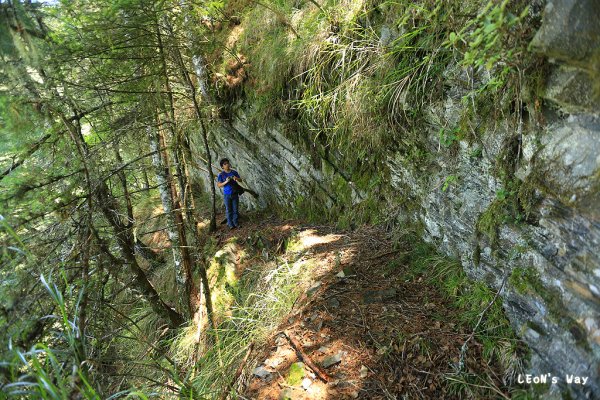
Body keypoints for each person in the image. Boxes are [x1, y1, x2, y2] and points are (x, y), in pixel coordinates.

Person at [216, 158, 242, 229]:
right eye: (225, 164)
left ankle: (236, 222)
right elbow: (218, 185)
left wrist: (236, 178)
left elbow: (241, 180)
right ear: (222, 167)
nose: (227, 165)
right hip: (226, 194)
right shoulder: (221, 174)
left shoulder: (234, 172)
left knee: (235, 209)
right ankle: (230, 224)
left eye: (227, 163)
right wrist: (226, 181)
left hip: (235, 193)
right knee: (228, 210)